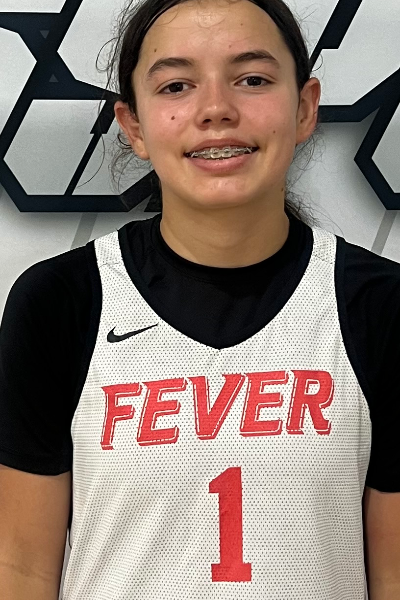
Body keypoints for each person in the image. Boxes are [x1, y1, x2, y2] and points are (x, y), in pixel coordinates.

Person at [0, 0, 399, 598]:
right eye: (177, 86)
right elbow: (23, 567)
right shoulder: (60, 301)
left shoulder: (379, 304)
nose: (216, 109)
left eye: (253, 80)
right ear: (133, 125)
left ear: (304, 107)